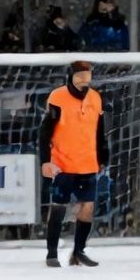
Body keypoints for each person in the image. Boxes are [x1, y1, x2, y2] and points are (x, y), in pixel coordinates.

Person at [37, 60, 108, 268]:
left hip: (88, 162)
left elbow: (99, 131)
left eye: (88, 75)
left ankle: (78, 251)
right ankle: (51, 253)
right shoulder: (58, 97)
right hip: (62, 163)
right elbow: (45, 131)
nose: (85, 79)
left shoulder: (95, 98)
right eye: (81, 75)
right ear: (72, 76)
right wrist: (45, 161)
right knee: (58, 206)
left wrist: (103, 158)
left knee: (88, 206)